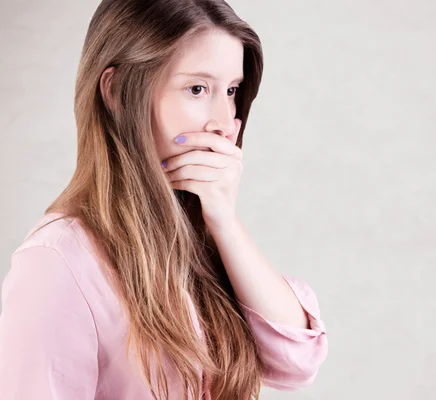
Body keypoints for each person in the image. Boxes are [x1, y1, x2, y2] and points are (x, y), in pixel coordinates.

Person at [0, 0, 328, 399]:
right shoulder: (57, 262)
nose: (224, 122)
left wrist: (224, 221)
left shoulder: (195, 237)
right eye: (197, 88)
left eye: (231, 91)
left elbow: (297, 360)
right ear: (117, 91)